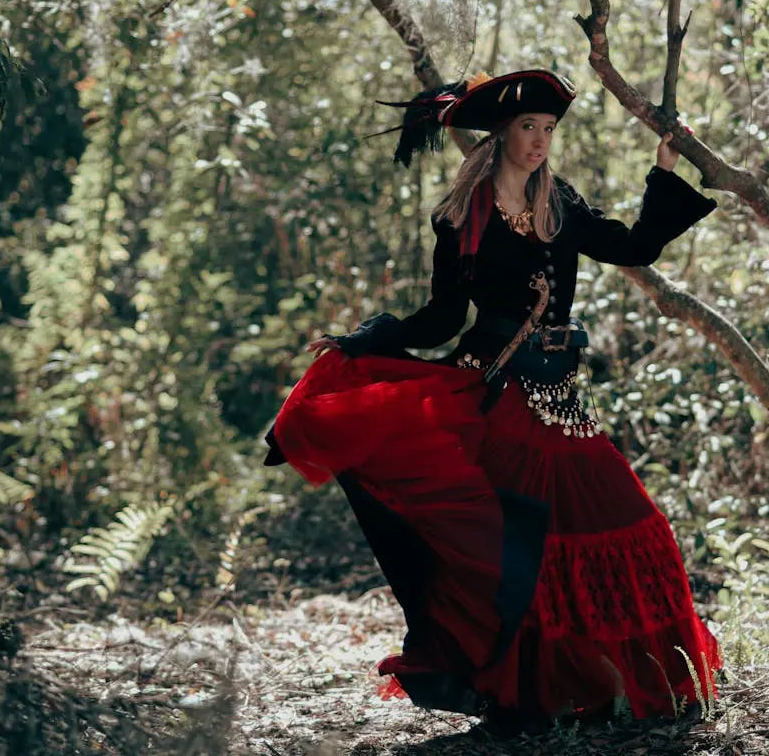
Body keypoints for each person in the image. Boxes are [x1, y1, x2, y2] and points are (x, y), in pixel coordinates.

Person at [263, 69, 722, 729]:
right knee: (515, 549)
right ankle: (524, 692)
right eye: (529, 128)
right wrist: (370, 339)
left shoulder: (560, 202)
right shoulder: (464, 215)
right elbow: (443, 317)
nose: (540, 142)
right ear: (503, 133)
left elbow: (635, 246)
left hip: (561, 398)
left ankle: (642, 677)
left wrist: (665, 168)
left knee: (633, 523)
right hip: (494, 398)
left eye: (549, 130)